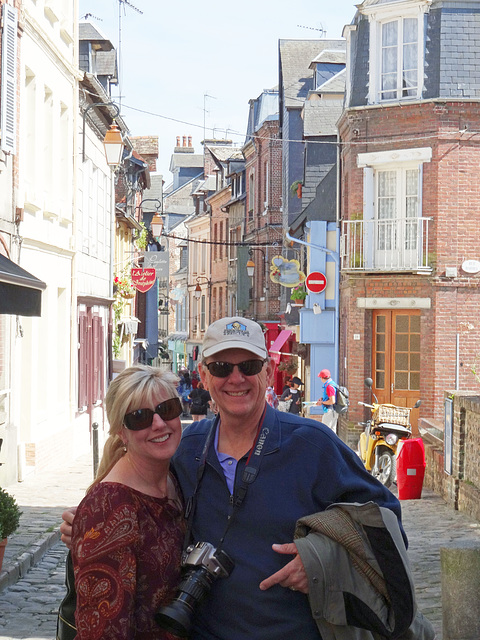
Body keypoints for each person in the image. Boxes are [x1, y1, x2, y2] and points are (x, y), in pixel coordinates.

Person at [62, 317, 426, 640]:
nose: (235, 378)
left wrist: (320, 558)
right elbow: (140, 498)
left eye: (248, 365)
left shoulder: (312, 445)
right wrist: (92, 527)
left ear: (267, 372)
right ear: (204, 377)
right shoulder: (185, 449)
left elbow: (386, 519)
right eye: (221, 367)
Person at [69, 365, 185, 640]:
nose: (158, 424)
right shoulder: (110, 506)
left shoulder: (174, 479)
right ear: (122, 432)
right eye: (140, 417)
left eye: (166, 409)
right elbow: (100, 630)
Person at [316, 368, 338, 433]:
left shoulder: (329, 386)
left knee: (325, 431)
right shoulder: (332, 383)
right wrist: (323, 399)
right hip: (333, 410)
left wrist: (322, 402)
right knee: (332, 431)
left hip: (329, 411)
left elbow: (332, 401)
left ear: (322, 378)